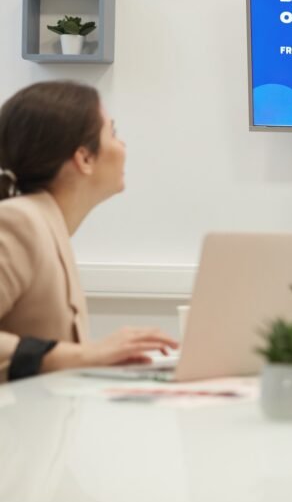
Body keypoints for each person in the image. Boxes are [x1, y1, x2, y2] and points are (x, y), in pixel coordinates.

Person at [0, 80, 177, 382]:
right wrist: (87, 354)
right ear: (84, 158)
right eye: (113, 133)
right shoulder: (20, 222)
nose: (123, 146)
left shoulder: (48, 226)